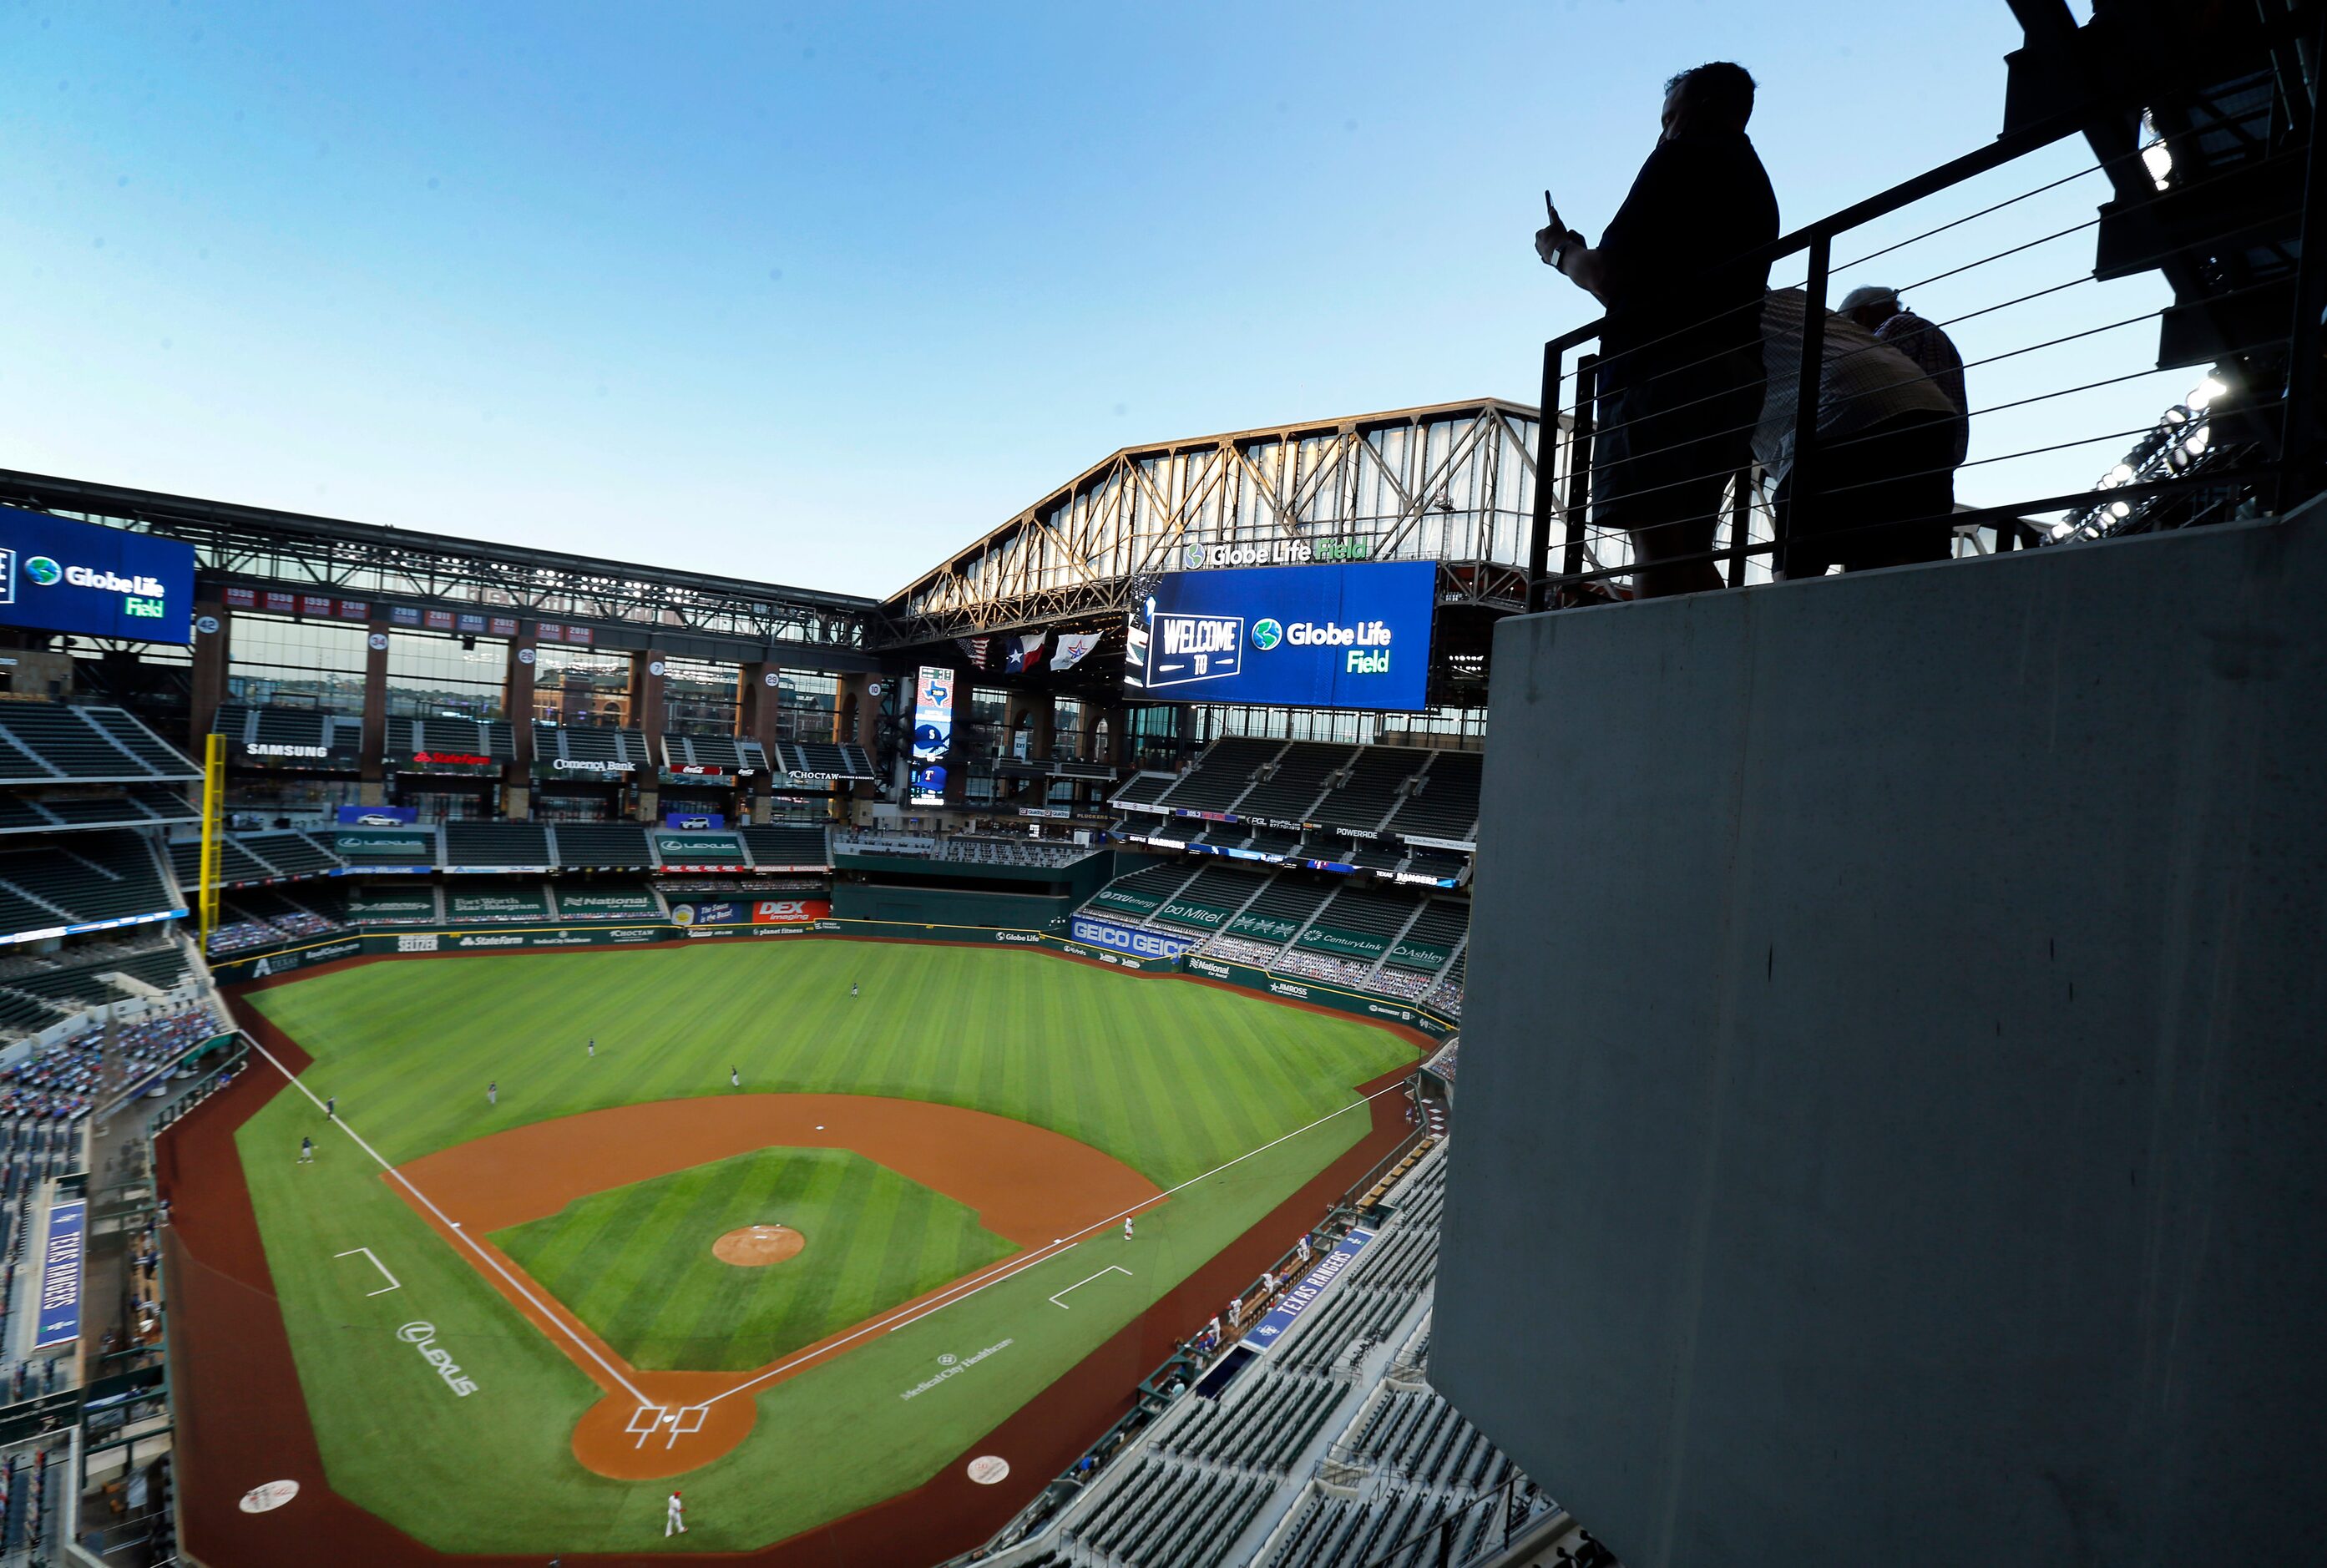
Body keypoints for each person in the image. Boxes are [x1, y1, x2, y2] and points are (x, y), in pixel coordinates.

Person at [1537, 62, 1780, 599]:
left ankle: (1662, 676)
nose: (1663, 131)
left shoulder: (1682, 157)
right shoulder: (1754, 184)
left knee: (1656, 539)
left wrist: (1560, 252)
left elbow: (1610, 279)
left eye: (1670, 117)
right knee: (1689, 547)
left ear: (1702, 109)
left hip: (1663, 370)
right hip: (1735, 368)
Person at [1753, 286, 1965, 576]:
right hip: (1934, 429)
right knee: (1915, 563)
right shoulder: (1797, 303)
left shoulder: (1895, 329)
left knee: (1795, 561)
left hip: (1854, 420)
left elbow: (1868, 389)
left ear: (1861, 314)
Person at [1838, 285, 1969, 468]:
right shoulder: (1929, 331)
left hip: (1906, 448)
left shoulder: (1897, 325)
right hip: (1939, 449)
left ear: (1861, 315)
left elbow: (1858, 378)